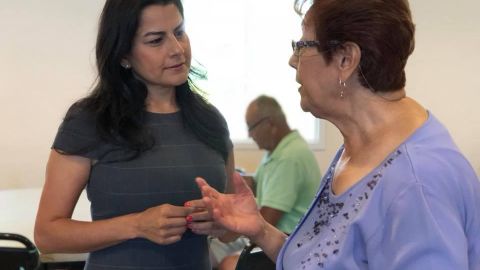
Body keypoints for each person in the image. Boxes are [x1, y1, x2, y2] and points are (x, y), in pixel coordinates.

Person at [195, 0, 480, 269]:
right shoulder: (357, 150)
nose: (293, 60)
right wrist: (260, 230)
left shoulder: (417, 182)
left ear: (346, 59)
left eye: (303, 45)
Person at [34, 1, 234, 269]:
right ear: (123, 55)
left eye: (179, 32)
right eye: (155, 40)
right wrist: (136, 225)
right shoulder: (90, 121)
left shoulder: (211, 122)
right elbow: (47, 235)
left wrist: (221, 222)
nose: (177, 49)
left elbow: (233, 227)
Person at [212, 95, 322, 269]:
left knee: (223, 262)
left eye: (251, 127)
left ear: (269, 124)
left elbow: (267, 219)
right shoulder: (279, 150)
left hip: (289, 243)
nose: (249, 135)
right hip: (275, 238)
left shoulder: (288, 158)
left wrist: (225, 231)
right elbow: (256, 184)